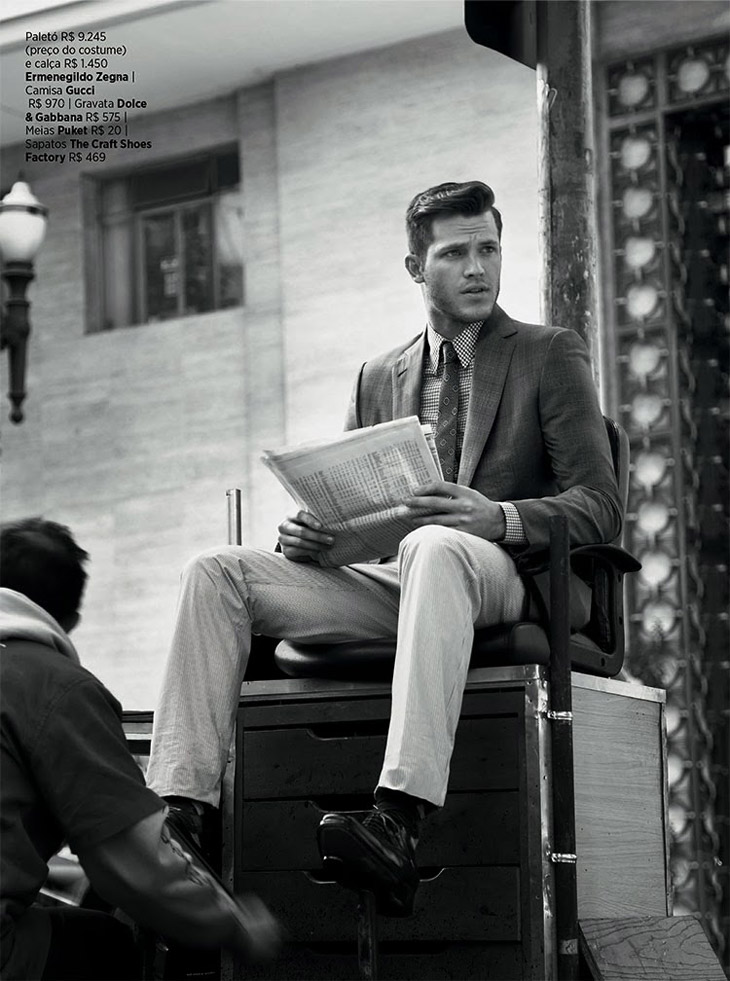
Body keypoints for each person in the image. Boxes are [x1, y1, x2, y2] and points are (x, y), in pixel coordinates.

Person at [146, 180, 622, 918]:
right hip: (403, 578)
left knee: (435, 543)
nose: (478, 268)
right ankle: (183, 818)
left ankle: (398, 817)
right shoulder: (378, 375)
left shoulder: (548, 353)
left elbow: (601, 505)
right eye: (455, 253)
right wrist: (309, 537)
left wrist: (497, 517)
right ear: (414, 268)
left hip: (509, 576)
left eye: (489, 249)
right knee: (215, 572)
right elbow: (353, 507)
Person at [0, 518, 280, 981]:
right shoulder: (54, 687)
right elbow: (132, 863)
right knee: (103, 943)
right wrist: (232, 924)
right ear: (69, 621)